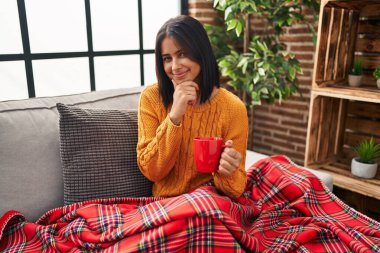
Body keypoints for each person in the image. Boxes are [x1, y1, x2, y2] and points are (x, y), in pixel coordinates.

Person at [137, 15, 248, 199]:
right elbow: (151, 170)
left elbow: (235, 190)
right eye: (167, 58)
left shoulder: (233, 108)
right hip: (166, 206)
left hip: (210, 204)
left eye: (182, 54)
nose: (174, 66)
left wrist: (227, 170)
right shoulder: (151, 98)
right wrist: (174, 116)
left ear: (200, 51)